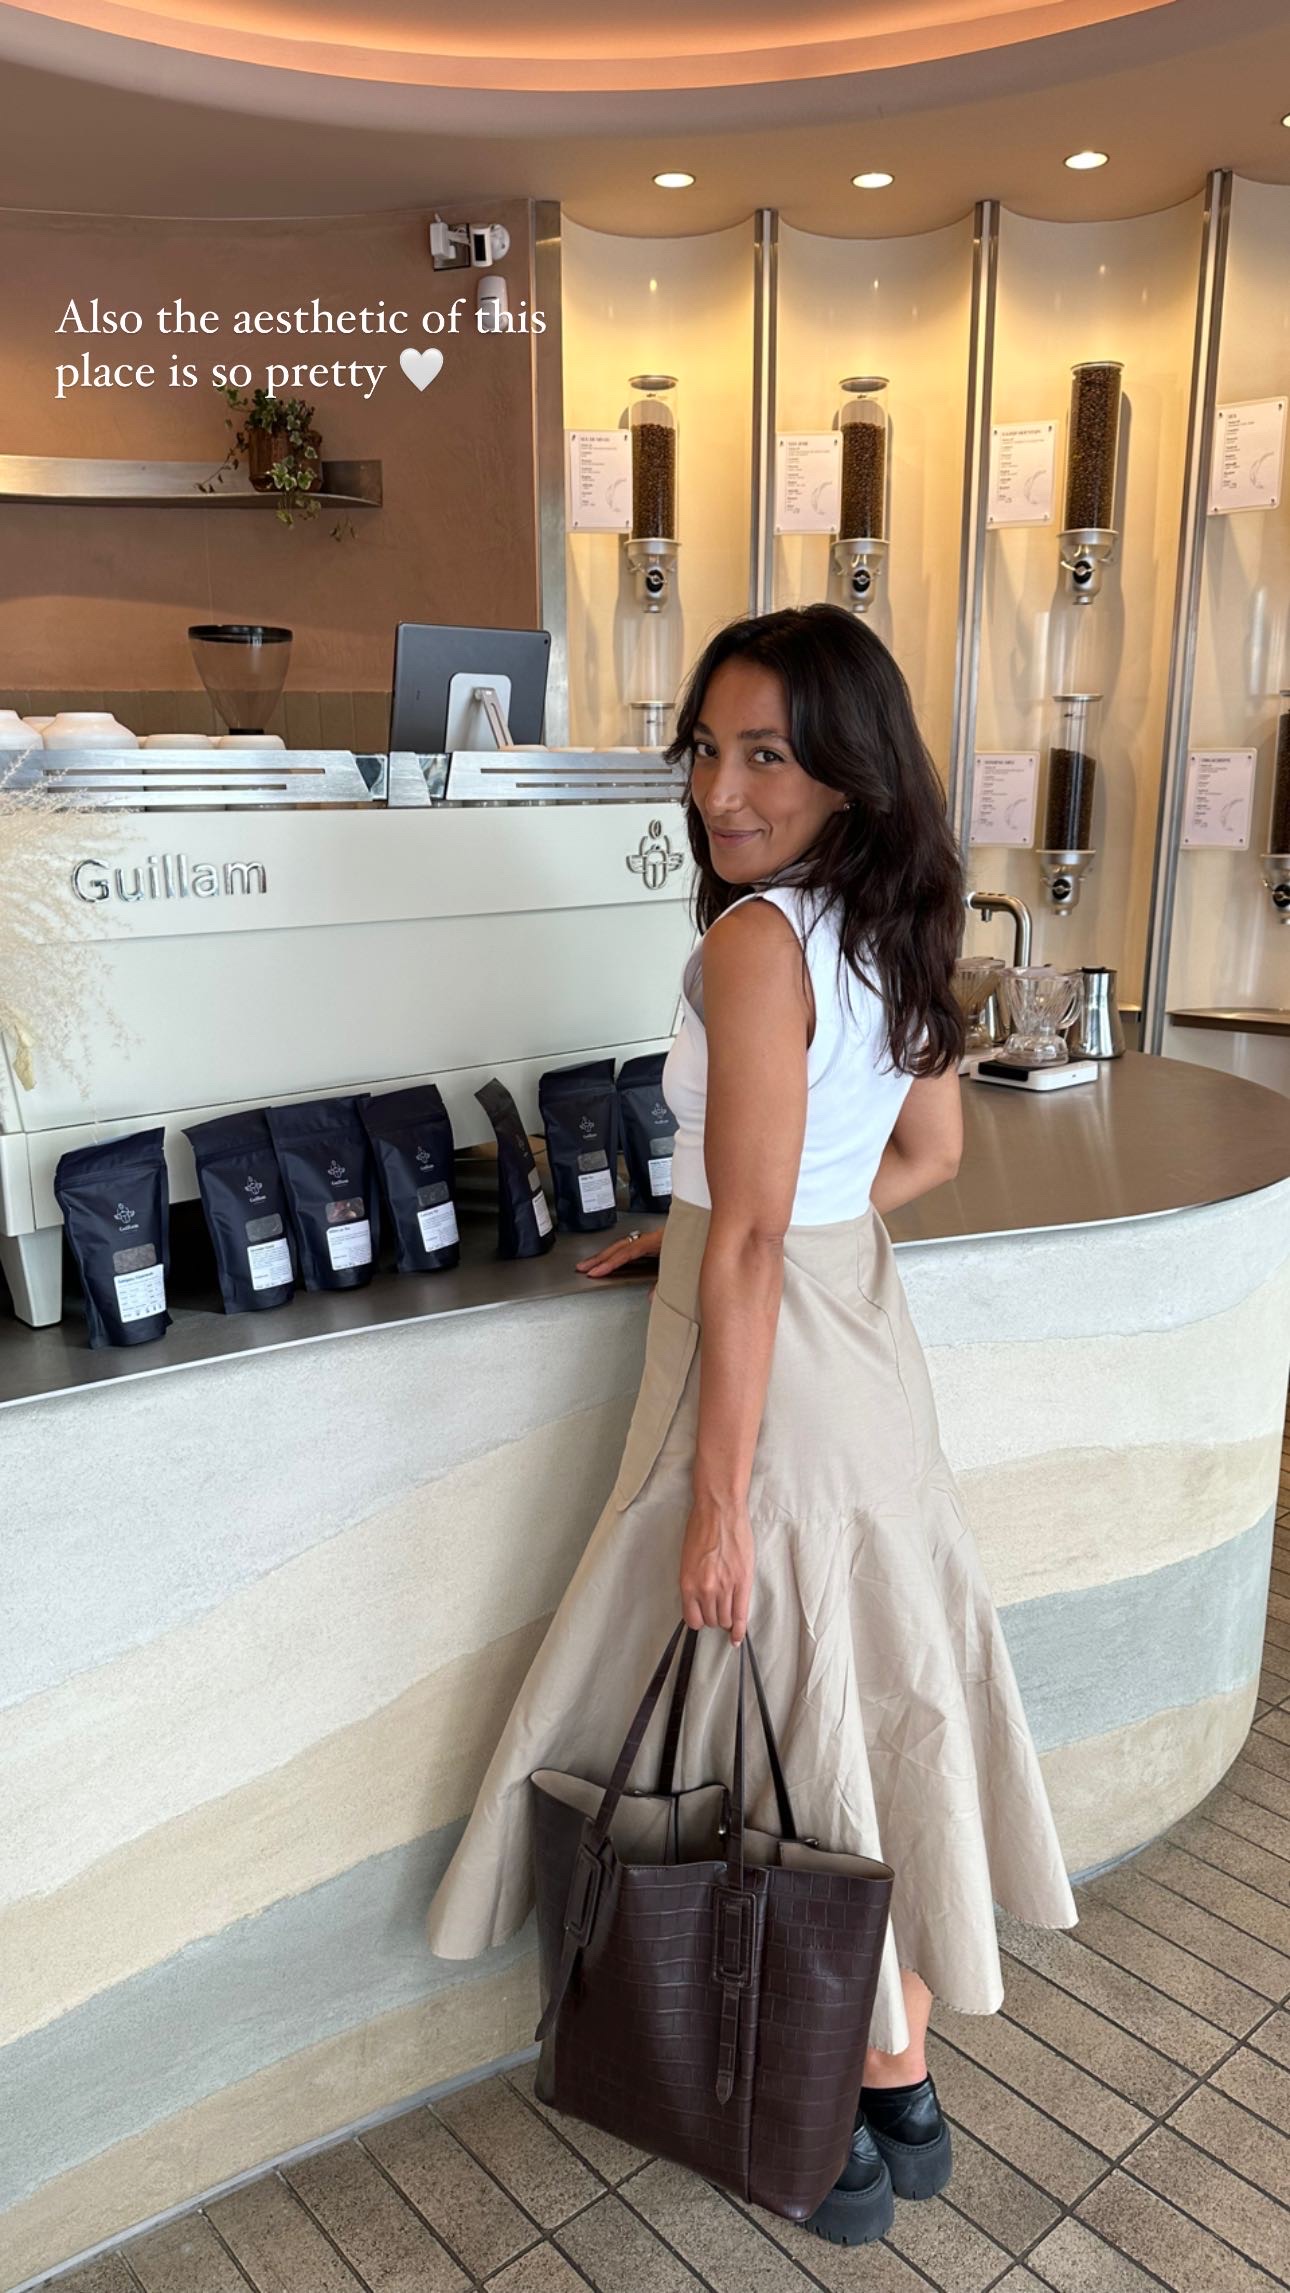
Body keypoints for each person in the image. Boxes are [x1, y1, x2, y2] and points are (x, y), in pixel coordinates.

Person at [426, 603, 1079, 2247]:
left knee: (775, 1724)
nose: (722, 787)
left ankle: (861, 2088)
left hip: (769, 1358)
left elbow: (755, 1232)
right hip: (858, 1341)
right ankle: (899, 2082)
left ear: (846, 770)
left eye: (767, 754)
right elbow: (922, 1155)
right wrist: (726, 1214)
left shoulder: (754, 941)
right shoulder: (889, 920)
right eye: (707, 748)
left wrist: (716, 1485)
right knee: (862, 1699)